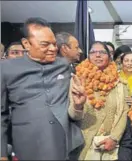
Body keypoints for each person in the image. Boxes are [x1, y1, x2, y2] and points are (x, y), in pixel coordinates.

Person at [1, 17, 84, 160]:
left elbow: (73, 107)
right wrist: (1, 153)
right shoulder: (6, 69)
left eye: (54, 44)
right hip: (27, 144)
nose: (53, 49)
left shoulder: (63, 65)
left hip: (64, 142)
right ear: (26, 44)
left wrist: (78, 104)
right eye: (45, 44)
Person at [68, 41, 129, 160]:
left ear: (110, 56)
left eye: (102, 52)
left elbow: (124, 112)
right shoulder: (77, 80)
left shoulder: (119, 83)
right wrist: (78, 106)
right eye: (93, 52)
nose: (98, 55)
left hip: (111, 146)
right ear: (88, 56)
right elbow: (72, 116)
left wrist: (114, 138)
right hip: (83, 143)